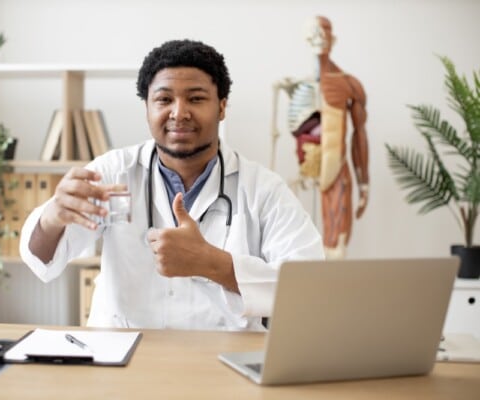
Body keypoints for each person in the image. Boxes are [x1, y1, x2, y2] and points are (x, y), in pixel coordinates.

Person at [20, 39, 324, 331]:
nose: (179, 112)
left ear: (222, 107)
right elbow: (41, 260)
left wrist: (211, 263)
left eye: (195, 98)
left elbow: (309, 287)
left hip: (223, 364)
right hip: (126, 358)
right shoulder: (112, 172)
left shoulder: (263, 189)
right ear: (147, 108)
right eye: (164, 99)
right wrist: (52, 218)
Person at [271, 16, 369, 259]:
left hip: (336, 166)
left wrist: (364, 183)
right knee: (287, 242)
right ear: (307, 39)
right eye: (314, 34)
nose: (319, 39)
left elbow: (359, 134)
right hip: (301, 171)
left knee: (335, 247)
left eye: (323, 33)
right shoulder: (295, 85)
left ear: (332, 39)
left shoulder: (349, 84)